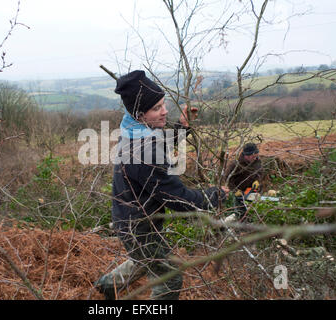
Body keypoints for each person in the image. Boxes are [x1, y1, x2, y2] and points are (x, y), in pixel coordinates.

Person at [94, 70, 227, 300]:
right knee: (170, 276)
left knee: (144, 259)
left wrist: (182, 127)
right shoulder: (144, 151)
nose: (164, 111)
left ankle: (106, 287)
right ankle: (109, 287)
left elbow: (158, 140)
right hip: (138, 225)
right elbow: (178, 199)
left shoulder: (131, 128)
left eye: (163, 104)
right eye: (156, 108)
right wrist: (214, 196)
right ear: (140, 113)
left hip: (130, 218)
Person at [224, 142, 262, 222]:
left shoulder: (257, 161)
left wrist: (257, 181)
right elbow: (228, 178)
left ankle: (252, 221)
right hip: (240, 191)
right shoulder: (236, 164)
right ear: (246, 156)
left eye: (256, 156)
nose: (255, 158)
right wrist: (235, 190)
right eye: (253, 156)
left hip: (251, 189)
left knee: (254, 210)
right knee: (240, 212)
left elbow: (260, 172)